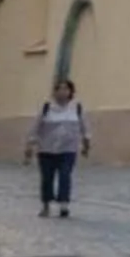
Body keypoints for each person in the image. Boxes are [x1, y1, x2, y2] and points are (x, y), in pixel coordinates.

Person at [25, 79, 88, 217]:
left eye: (66, 89)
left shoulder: (76, 108)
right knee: (47, 178)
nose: (63, 92)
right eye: (59, 89)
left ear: (71, 92)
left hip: (68, 149)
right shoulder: (47, 108)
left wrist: (86, 143)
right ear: (55, 92)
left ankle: (64, 205)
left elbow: (84, 126)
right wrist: (30, 145)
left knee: (65, 175)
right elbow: (36, 127)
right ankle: (46, 205)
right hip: (46, 149)